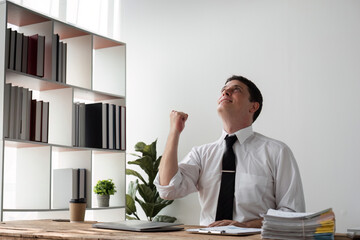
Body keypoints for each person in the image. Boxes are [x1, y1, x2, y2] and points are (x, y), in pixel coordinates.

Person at [154, 75, 305, 228]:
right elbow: (167, 189)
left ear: (253, 107)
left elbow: (291, 214)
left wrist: (246, 226)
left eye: (236, 90)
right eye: (223, 90)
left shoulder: (277, 152)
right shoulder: (201, 154)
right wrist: (174, 132)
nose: (225, 93)